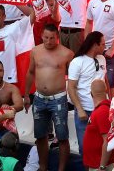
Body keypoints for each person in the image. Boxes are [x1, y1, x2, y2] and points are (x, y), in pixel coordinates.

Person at [25, 24, 74, 171]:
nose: (48, 41)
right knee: (40, 135)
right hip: (39, 98)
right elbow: (30, 72)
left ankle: (61, 169)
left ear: (57, 37)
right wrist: (27, 94)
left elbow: (74, 78)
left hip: (58, 99)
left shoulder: (67, 53)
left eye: (52, 38)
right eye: (46, 37)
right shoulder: (35, 51)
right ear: (41, 36)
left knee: (62, 136)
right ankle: (43, 166)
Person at [68, 31, 108, 148]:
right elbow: (71, 87)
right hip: (85, 110)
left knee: (102, 145)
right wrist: (79, 109)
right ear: (95, 45)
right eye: (103, 44)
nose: (105, 47)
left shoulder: (102, 59)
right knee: (85, 147)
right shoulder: (77, 62)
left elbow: (105, 81)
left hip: (101, 110)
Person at [83, 79, 114, 171]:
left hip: (101, 165)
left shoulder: (102, 111)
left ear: (91, 94)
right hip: (98, 163)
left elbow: (108, 140)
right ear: (106, 91)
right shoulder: (104, 109)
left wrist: (102, 166)